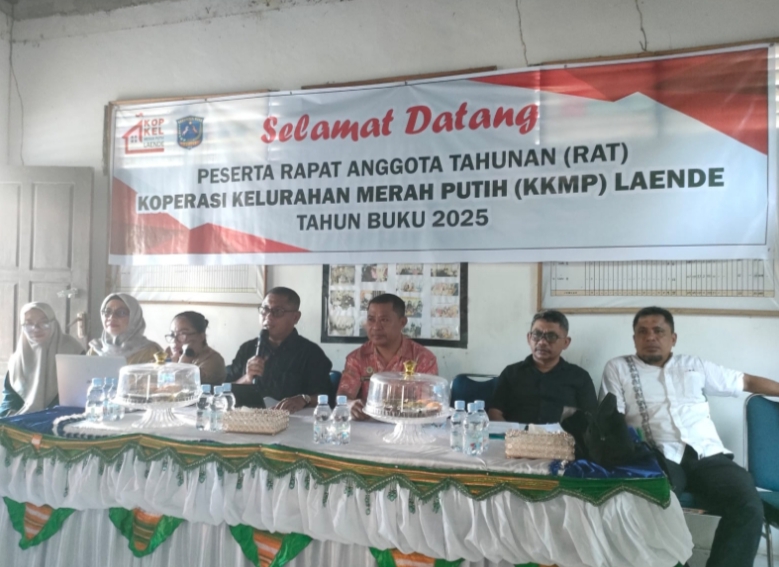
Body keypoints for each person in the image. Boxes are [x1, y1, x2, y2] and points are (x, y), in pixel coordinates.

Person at [601, 306, 779, 567]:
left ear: (673, 338)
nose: (651, 337)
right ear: (634, 338)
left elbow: (747, 382)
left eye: (659, 331)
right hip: (657, 456)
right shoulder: (618, 368)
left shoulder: (694, 366)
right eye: (643, 332)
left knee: (748, 504)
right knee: (648, 505)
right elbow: (610, 419)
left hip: (709, 456)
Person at [226, 287, 332, 413]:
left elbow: (327, 397)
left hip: (292, 420)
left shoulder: (311, 353)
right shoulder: (247, 349)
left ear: (295, 317)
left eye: (277, 311)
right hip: (250, 419)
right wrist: (247, 378)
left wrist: (303, 399)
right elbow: (225, 391)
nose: (268, 317)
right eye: (264, 310)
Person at [337, 293, 438, 421]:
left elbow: (429, 404)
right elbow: (344, 395)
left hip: (409, 425)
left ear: (402, 322)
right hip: (368, 426)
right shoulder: (357, 358)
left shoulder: (423, 358)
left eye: (384, 320)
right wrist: (350, 405)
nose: (376, 327)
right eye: (371, 319)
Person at [487, 310, 596, 424]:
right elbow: (494, 413)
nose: (542, 342)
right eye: (537, 335)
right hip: (516, 435)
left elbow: (592, 419)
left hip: (562, 435)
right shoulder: (511, 373)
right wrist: (511, 434)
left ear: (566, 342)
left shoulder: (580, 377)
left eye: (551, 336)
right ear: (529, 338)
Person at [0, 302, 85, 417]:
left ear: (53, 323)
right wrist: (9, 414)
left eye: (44, 323)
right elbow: (9, 399)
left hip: (62, 418)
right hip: (24, 420)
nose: (36, 328)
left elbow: (80, 398)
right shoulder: (17, 360)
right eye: (29, 324)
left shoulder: (73, 351)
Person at [88, 293, 161, 364]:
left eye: (121, 312)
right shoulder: (96, 349)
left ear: (134, 318)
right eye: (107, 312)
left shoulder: (150, 352)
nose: (112, 317)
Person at [164, 311, 226, 385]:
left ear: (201, 337)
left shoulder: (213, 361)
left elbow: (180, 384)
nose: (174, 341)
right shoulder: (169, 352)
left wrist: (187, 355)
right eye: (172, 334)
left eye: (182, 334)